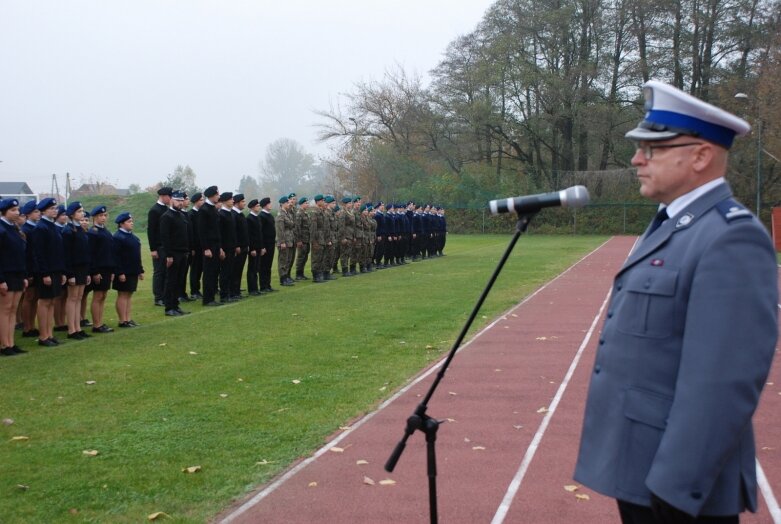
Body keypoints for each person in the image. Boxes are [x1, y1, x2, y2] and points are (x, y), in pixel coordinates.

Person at [574, 80, 778, 523]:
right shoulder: (674, 223)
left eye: (654, 149)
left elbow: (723, 381)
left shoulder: (730, 236)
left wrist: (674, 486)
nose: (637, 159)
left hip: (678, 487)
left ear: (701, 156)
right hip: (643, 467)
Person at [30, 198, 66, 347]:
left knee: (52, 302)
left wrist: (62, 272)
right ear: (43, 211)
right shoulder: (41, 228)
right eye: (51, 208)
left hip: (56, 270)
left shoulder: (52, 227)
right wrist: (44, 274)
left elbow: (58, 252)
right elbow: (39, 253)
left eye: (55, 208)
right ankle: (43, 336)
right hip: (47, 272)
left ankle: (49, 333)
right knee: (44, 302)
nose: (54, 211)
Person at [0, 199, 28, 355]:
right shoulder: (1, 229)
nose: (17, 213)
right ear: (4, 212)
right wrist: (1, 280)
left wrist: (24, 275)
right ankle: (4, 345)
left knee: (12, 309)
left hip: (17, 273)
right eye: (13, 210)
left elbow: (19, 255)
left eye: (17, 209)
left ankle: (11, 343)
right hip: (6, 275)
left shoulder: (14, 228)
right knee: (5, 310)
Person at [61, 202, 91, 340]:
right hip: (74, 268)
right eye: (79, 211)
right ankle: (71, 329)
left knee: (78, 298)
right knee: (72, 298)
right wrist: (70, 274)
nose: (82, 214)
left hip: (83, 268)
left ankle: (78, 327)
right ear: (72, 214)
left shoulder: (80, 229)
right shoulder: (68, 231)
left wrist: (88, 272)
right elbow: (66, 255)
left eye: (83, 211)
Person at [160, 191, 190, 316]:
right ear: (172, 200)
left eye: (182, 201)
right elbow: (165, 238)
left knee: (179, 280)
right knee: (171, 281)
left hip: (183, 252)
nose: (180, 203)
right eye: (178, 200)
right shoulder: (167, 216)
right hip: (173, 253)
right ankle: (169, 307)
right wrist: (169, 255)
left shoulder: (181, 216)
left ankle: (176, 305)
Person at [112, 212, 143, 327]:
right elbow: (116, 257)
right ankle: (122, 320)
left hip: (132, 270)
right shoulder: (118, 237)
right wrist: (119, 272)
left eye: (132, 221)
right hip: (124, 271)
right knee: (123, 295)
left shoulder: (132, 236)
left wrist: (140, 270)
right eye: (129, 222)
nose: (132, 223)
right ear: (121, 224)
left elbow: (136, 255)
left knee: (129, 295)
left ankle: (128, 318)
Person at [87, 205, 116, 333]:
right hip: (99, 269)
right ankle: (96, 325)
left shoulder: (106, 231)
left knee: (103, 296)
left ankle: (100, 322)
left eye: (105, 215)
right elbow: (91, 254)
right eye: (100, 216)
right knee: (98, 296)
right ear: (94, 217)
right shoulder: (93, 232)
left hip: (107, 268)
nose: (103, 218)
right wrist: (95, 272)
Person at [198, 186, 224, 306]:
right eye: (217, 195)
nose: (219, 197)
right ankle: (207, 299)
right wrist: (206, 248)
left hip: (216, 244)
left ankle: (212, 297)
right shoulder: (204, 210)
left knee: (214, 271)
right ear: (212, 195)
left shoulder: (213, 209)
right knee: (208, 273)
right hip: (209, 246)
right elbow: (202, 231)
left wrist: (219, 247)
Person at [148, 187, 172, 306]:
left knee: (167, 272)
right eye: (169, 196)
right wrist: (153, 249)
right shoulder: (155, 210)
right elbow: (151, 231)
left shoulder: (166, 209)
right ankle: (158, 297)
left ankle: (165, 294)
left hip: (166, 246)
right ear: (163, 196)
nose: (171, 198)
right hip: (158, 246)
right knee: (159, 272)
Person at [19, 200, 39, 337]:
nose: (38, 214)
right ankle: (27, 327)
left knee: (35, 298)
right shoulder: (26, 230)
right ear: (28, 214)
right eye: (35, 212)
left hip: (37, 268)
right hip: (30, 269)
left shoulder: (35, 229)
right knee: (29, 297)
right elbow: (27, 253)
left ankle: (32, 325)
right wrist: (28, 272)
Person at [218, 192, 238, 302]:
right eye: (230, 199)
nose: (233, 201)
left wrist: (234, 246)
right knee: (224, 272)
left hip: (231, 247)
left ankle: (229, 293)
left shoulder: (230, 214)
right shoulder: (221, 214)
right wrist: (220, 248)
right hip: (225, 248)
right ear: (225, 201)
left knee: (230, 271)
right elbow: (220, 233)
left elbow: (233, 233)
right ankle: (224, 295)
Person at [275, 195, 296, 286]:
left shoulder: (287, 213)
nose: (289, 204)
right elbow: (280, 230)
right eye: (287, 202)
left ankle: (286, 276)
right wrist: (282, 242)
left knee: (288, 260)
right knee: (283, 260)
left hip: (290, 240)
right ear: (282, 204)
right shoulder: (281, 214)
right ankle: (283, 279)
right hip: (284, 241)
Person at [231, 193, 249, 299]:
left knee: (239, 270)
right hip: (238, 247)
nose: (244, 203)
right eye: (242, 201)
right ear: (237, 203)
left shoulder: (241, 214)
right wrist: (237, 245)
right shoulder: (234, 214)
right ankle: (233, 291)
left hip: (244, 246)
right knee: (235, 270)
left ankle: (237, 290)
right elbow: (234, 232)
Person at [245, 199, 265, 295]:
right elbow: (249, 235)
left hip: (258, 247)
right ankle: (252, 289)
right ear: (252, 207)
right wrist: (252, 248)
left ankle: (255, 288)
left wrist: (261, 247)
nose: (259, 207)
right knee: (252, 268)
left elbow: (260, 234)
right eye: (257, 206)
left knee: (256, 268)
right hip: (253, 248)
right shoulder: (249, 218)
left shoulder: (257, 218)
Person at [187, 192, 204, 300]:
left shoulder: (201, 213)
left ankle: (197, 290)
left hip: (201, 246)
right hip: (195, 247)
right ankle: (194, 291)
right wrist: (192, 248)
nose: (203, 202)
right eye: (201, 200)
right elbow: (191, 233)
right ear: (196, 202)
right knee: (195, 269)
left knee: (200, 269)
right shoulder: (191, 214)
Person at [258, 197, 276, 292]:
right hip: (265, 244)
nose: (271, 205)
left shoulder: (270, 216)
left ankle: (268, 284)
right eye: (269, 203)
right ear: (265, 205)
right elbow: (261, 233)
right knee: (263, 265)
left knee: (268, 265)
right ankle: (263, 285)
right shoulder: (261, 216)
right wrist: (262, 246)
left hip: (271, 243)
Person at [294, 196, 311, 281]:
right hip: (302, 240)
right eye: (306, 203)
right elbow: (297, 228)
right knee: (301, 257)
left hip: (307, 239)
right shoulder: (299, 214)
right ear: (301, 204)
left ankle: (302, 273)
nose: (307, 205)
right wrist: (299, 240)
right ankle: (298, 274)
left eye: (308, 203)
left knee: (305, 257)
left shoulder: (306, 213)